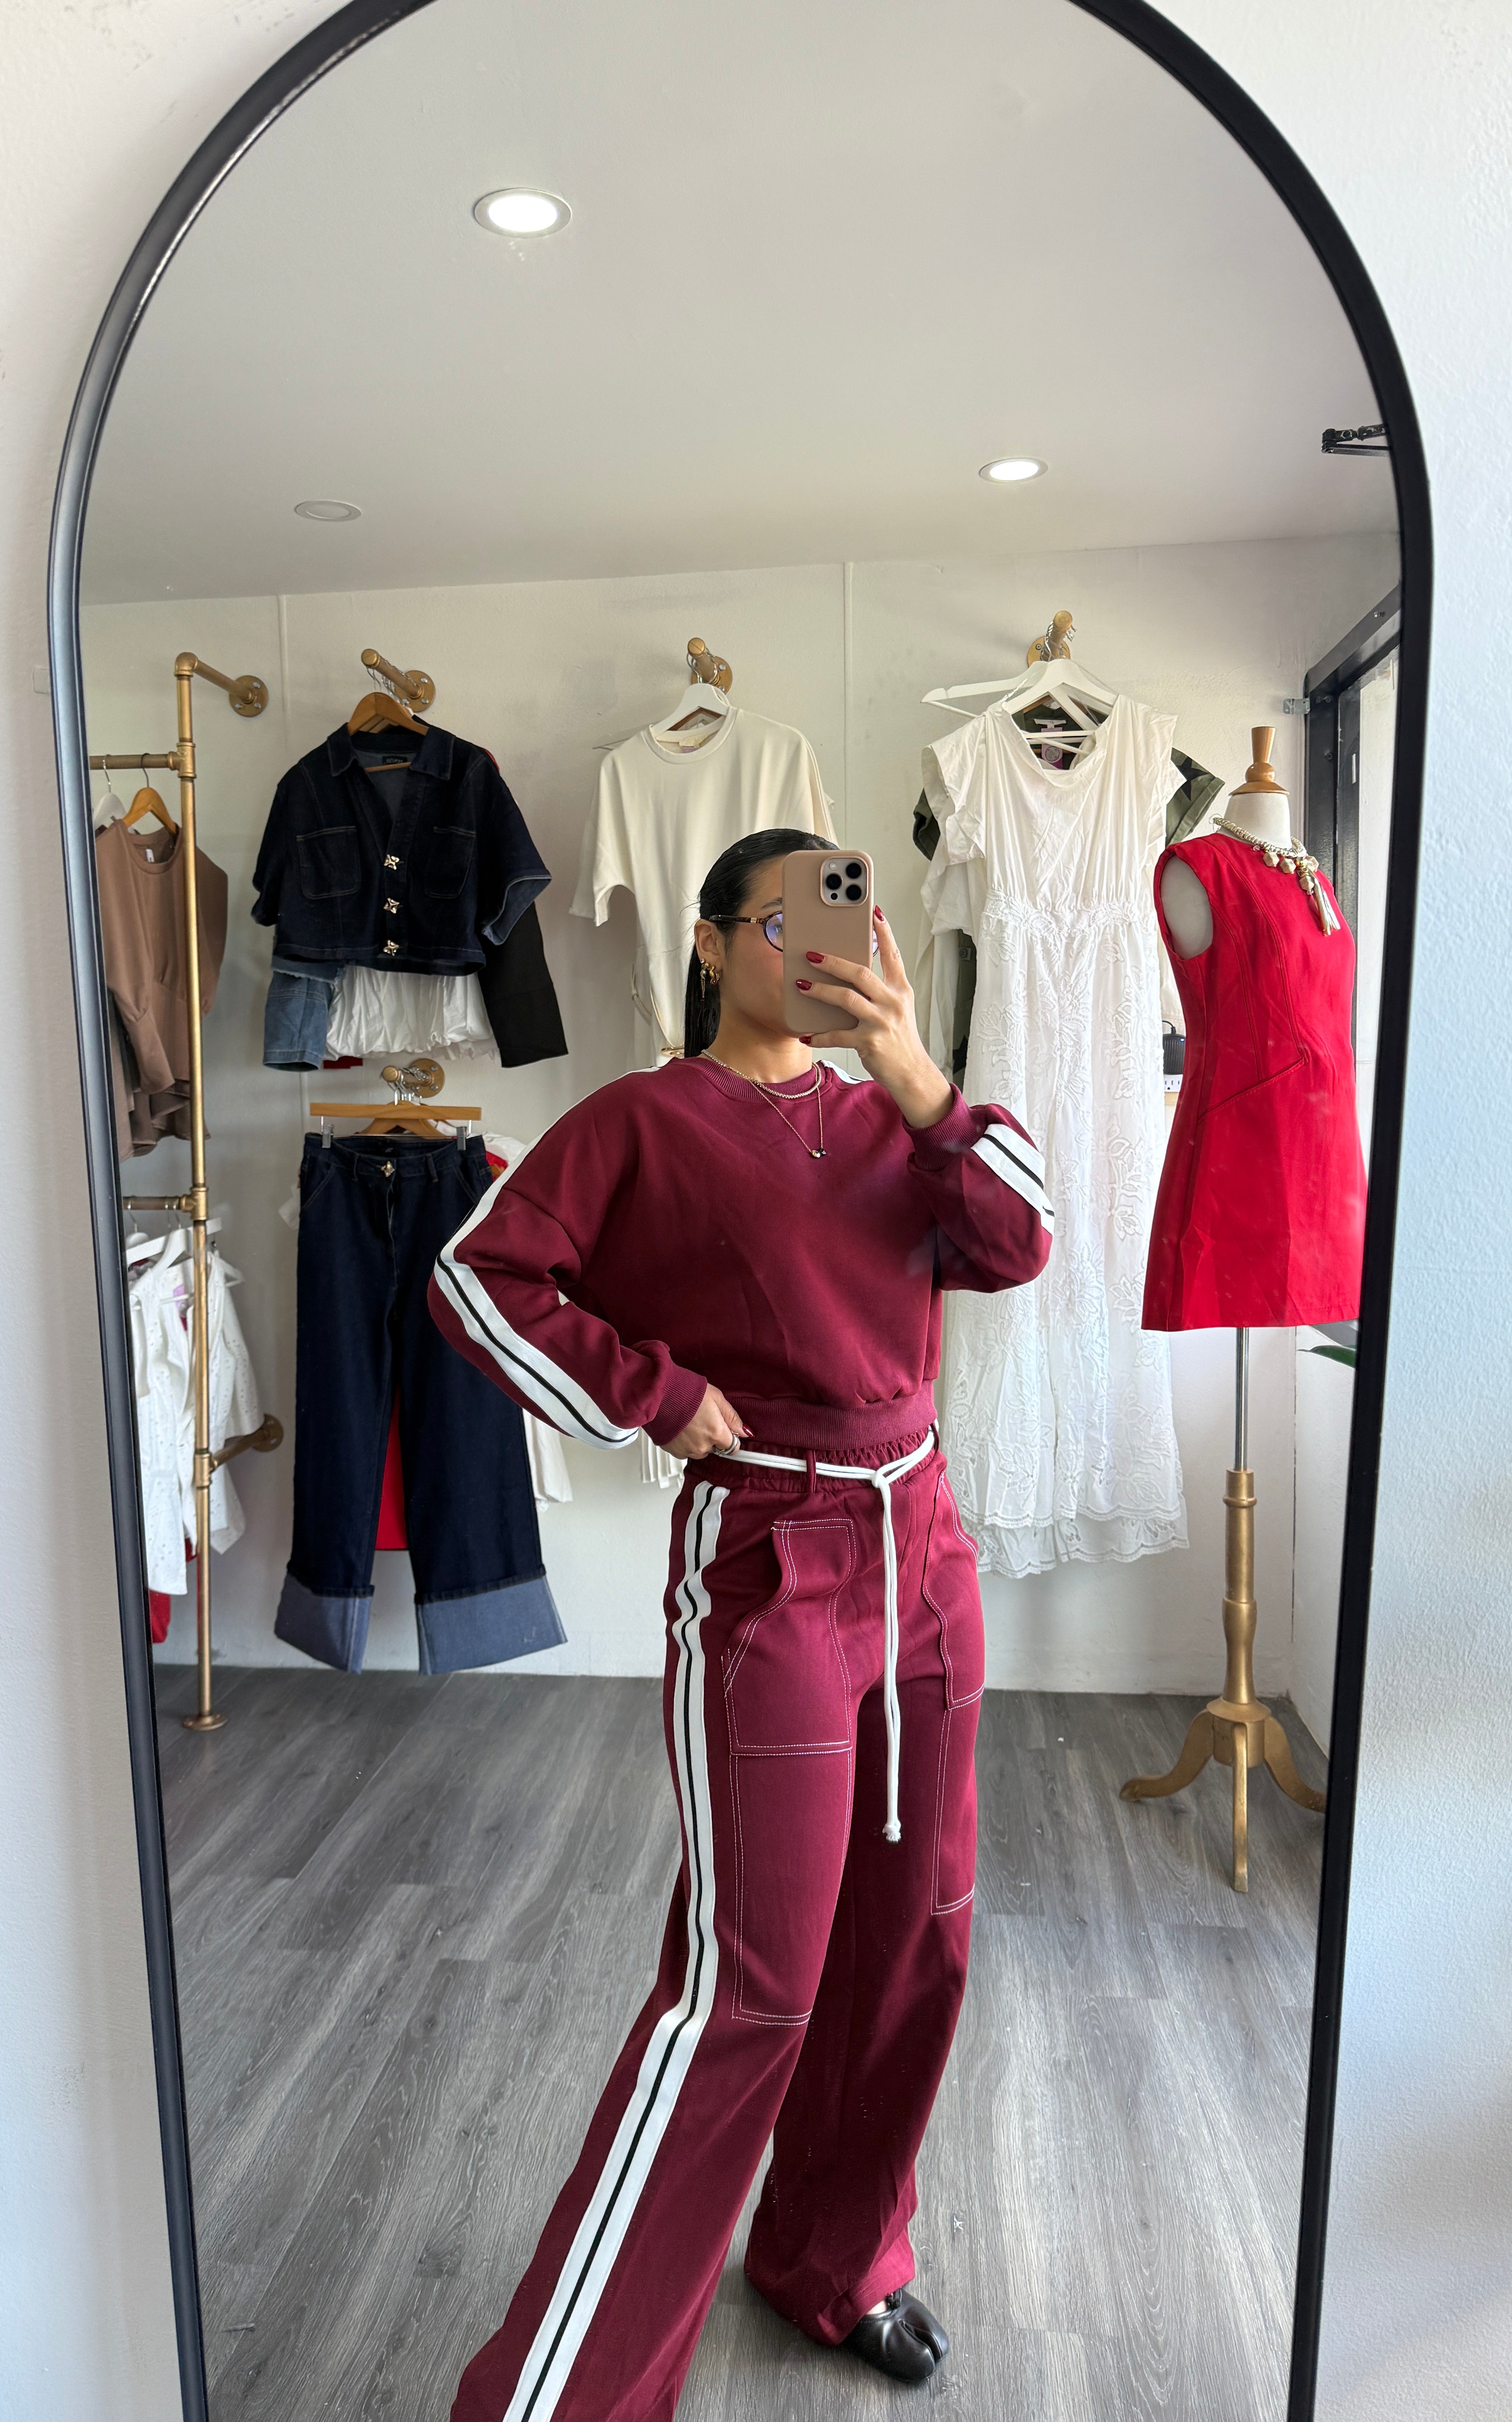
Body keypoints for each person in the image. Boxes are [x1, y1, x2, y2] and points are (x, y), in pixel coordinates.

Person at [429, 829, 1053, 2421]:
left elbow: (1019, 1242)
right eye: (781, 923)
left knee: (918, 1935)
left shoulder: (896, 1113)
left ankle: (835, 2260)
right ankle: (561, 2396)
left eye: (842, 918)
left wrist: (912, 1066)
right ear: (711, 945)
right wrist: (649, 1393)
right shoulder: (642, 1122)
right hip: (771, 1560)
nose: (818, 948)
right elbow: (480, 1278)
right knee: (749, 1983)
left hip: (924, 1548)